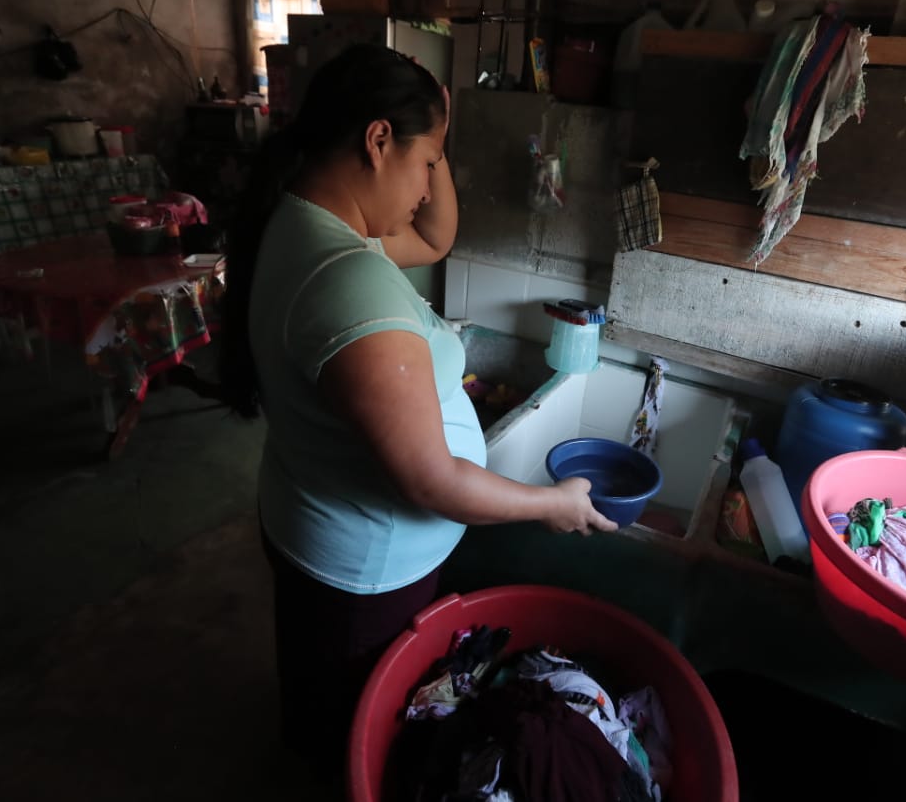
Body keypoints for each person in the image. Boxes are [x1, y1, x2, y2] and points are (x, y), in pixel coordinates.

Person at [219, 43, 618, 776]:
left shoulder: (304, 222)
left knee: (319, 695)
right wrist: (547, 503)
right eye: (429, 162)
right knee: (350, 729)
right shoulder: (346, 282)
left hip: (314, 524)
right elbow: (431, 479)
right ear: (377, 140)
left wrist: (439, 129)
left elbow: (437, 237)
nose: (430, 184)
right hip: (360, 568)